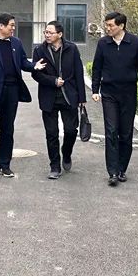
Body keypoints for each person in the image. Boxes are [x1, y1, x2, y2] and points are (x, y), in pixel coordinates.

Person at [0, 13, 45, 179]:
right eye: (11, 25)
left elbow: (22, 62)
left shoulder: (16, 43)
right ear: (1, 26)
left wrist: (34, 66)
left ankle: (4, 165)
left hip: (11, 91)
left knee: (7, 129)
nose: (13, 28)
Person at [91, 11, 138, 187]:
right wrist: (95, 89)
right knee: (111, 131)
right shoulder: (103, 43)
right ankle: (113, 172)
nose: (107, 28)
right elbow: (97, 67)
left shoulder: (135, 42)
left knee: (125, 133)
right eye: (106, 25)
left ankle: (122, 168)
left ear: (121, 25)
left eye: (111, 25)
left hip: (128, 93)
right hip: (109, 92)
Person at [31, 21, 86, 179]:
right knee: (51, 133)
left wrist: (82, 98)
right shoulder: (39, 50)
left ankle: (66, 153)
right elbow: (36, 74)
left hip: (69, 96)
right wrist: (53, 81)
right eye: (45, 32)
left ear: (60, 34)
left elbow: (78, 72)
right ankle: (54, 166)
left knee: (71, 130)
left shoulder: (71, 48)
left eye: (50, 32)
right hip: (48, 97)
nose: (47, 35)